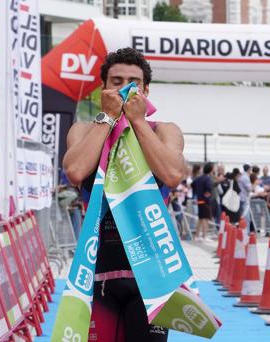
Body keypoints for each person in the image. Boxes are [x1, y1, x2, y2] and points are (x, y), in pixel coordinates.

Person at [63, 47, 185, 341]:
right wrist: (108, 118)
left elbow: (172, 174)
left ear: (146, 90)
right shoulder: (83, 130)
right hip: (97, 273)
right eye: (116, 81)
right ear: (103, 88)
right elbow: (76, 171)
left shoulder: (165, 130)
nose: (125, 87)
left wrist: (139, 122)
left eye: (134, 81)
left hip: (151, 277)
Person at [192, 162, 214, 241]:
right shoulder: (208, 178)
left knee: (200, 218)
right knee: (205, 218)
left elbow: (192, 185)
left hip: (199, 200)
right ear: (211, 169)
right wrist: (206, 197)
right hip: (205, 201)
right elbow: (208, 190)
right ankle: (204, 236)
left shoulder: (199, 178)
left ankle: (197, 236)